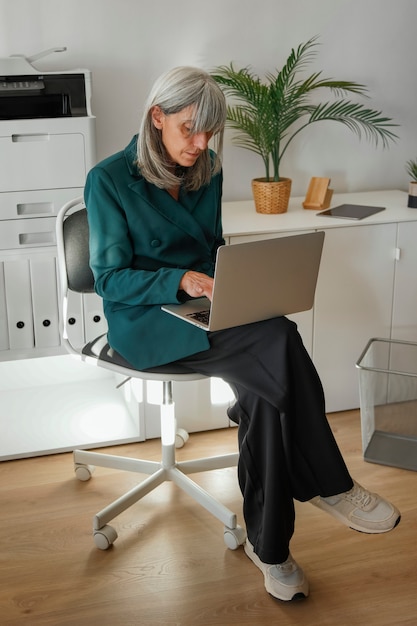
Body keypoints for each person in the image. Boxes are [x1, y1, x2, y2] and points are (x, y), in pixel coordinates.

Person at [84, 66, 400, 602]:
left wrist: (234, 281)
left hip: (206, 306)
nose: (201, 144)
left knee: (267, 383)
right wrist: (177, 277)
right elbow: (108, 278)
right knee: (278, 342)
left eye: (210, 132)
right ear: (157, 118)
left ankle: (272, 548)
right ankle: (324, 488)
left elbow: (212, 245)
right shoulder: (110, 179)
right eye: (190, 129)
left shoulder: (208, 166)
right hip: (145, 318)